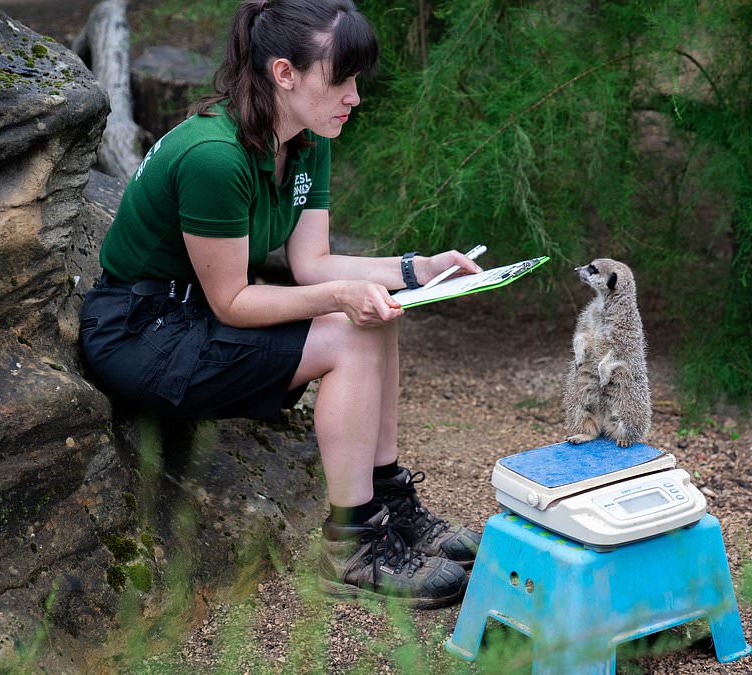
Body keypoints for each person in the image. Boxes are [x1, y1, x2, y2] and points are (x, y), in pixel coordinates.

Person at [79, 0, 482, 609]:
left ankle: (388, 500)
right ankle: (353, 545)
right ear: (284, 73)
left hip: (197, 314)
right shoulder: (215, 155)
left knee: (378, 314)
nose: (353, 96)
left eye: (355, 80)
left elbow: (312, 264)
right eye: (339, 79)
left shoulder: (306, 137)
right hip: (142, 332)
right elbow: (235, 301)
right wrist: (342, 299)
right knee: (350, 330)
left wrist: (414, 270)